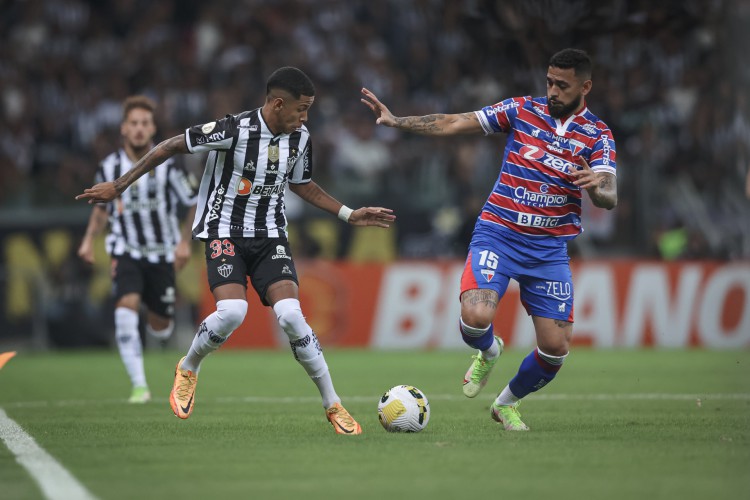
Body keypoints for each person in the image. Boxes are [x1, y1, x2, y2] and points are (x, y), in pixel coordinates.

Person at [78, 67, 396, 435]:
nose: (305, 117)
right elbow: (168, 146)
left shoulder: (300, 137)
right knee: (232, 312)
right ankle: (190, 367)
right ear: (278, 104)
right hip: (224, 233)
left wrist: (349, 213)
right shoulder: (234, 130)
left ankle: (333, 403)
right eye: (301, 109)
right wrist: (119, 186)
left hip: (271, 236)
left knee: (292, 318)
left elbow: (302, 184)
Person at [362, 48, 617, 431]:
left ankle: (506, 403)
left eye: (562, 85)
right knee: (476, 315)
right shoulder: (521, 109)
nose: (552, 90)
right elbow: (454, 122)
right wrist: (398, 122)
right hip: (499, 232)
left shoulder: (598, 135)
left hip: (548, 249)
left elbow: (609, 194)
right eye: (549, 81)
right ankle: (488, 350)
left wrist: (597, 188)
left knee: (556, 348)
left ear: (586, 86)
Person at [77, 95, 198, 404]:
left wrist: (185, 242)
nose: (140, 129)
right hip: (126, 250)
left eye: (145, 123)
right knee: (125, 307)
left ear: (153, 128)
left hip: (163, 254)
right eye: (134, 123)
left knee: (161, 325)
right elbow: (100, 208)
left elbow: (192, 203)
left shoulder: (169, 165)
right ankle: (139, 386)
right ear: (124, 129)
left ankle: (151, 311)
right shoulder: (109, 166)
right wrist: (89, 239)